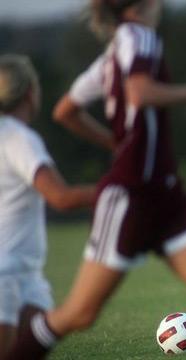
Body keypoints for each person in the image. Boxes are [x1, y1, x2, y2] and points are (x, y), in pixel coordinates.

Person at [3, 1, 186, 359]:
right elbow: (140, 92)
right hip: (130, 196)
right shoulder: (140, 36)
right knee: (78, 314)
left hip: (166, 193)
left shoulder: (113, 53)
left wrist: (117, 142)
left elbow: (65, 111)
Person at [0, 54, 95, 358]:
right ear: (30, 92)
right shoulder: (19, 138)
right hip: (6, 271)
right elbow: (61, 198)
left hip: (26, 274)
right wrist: (119, 188)